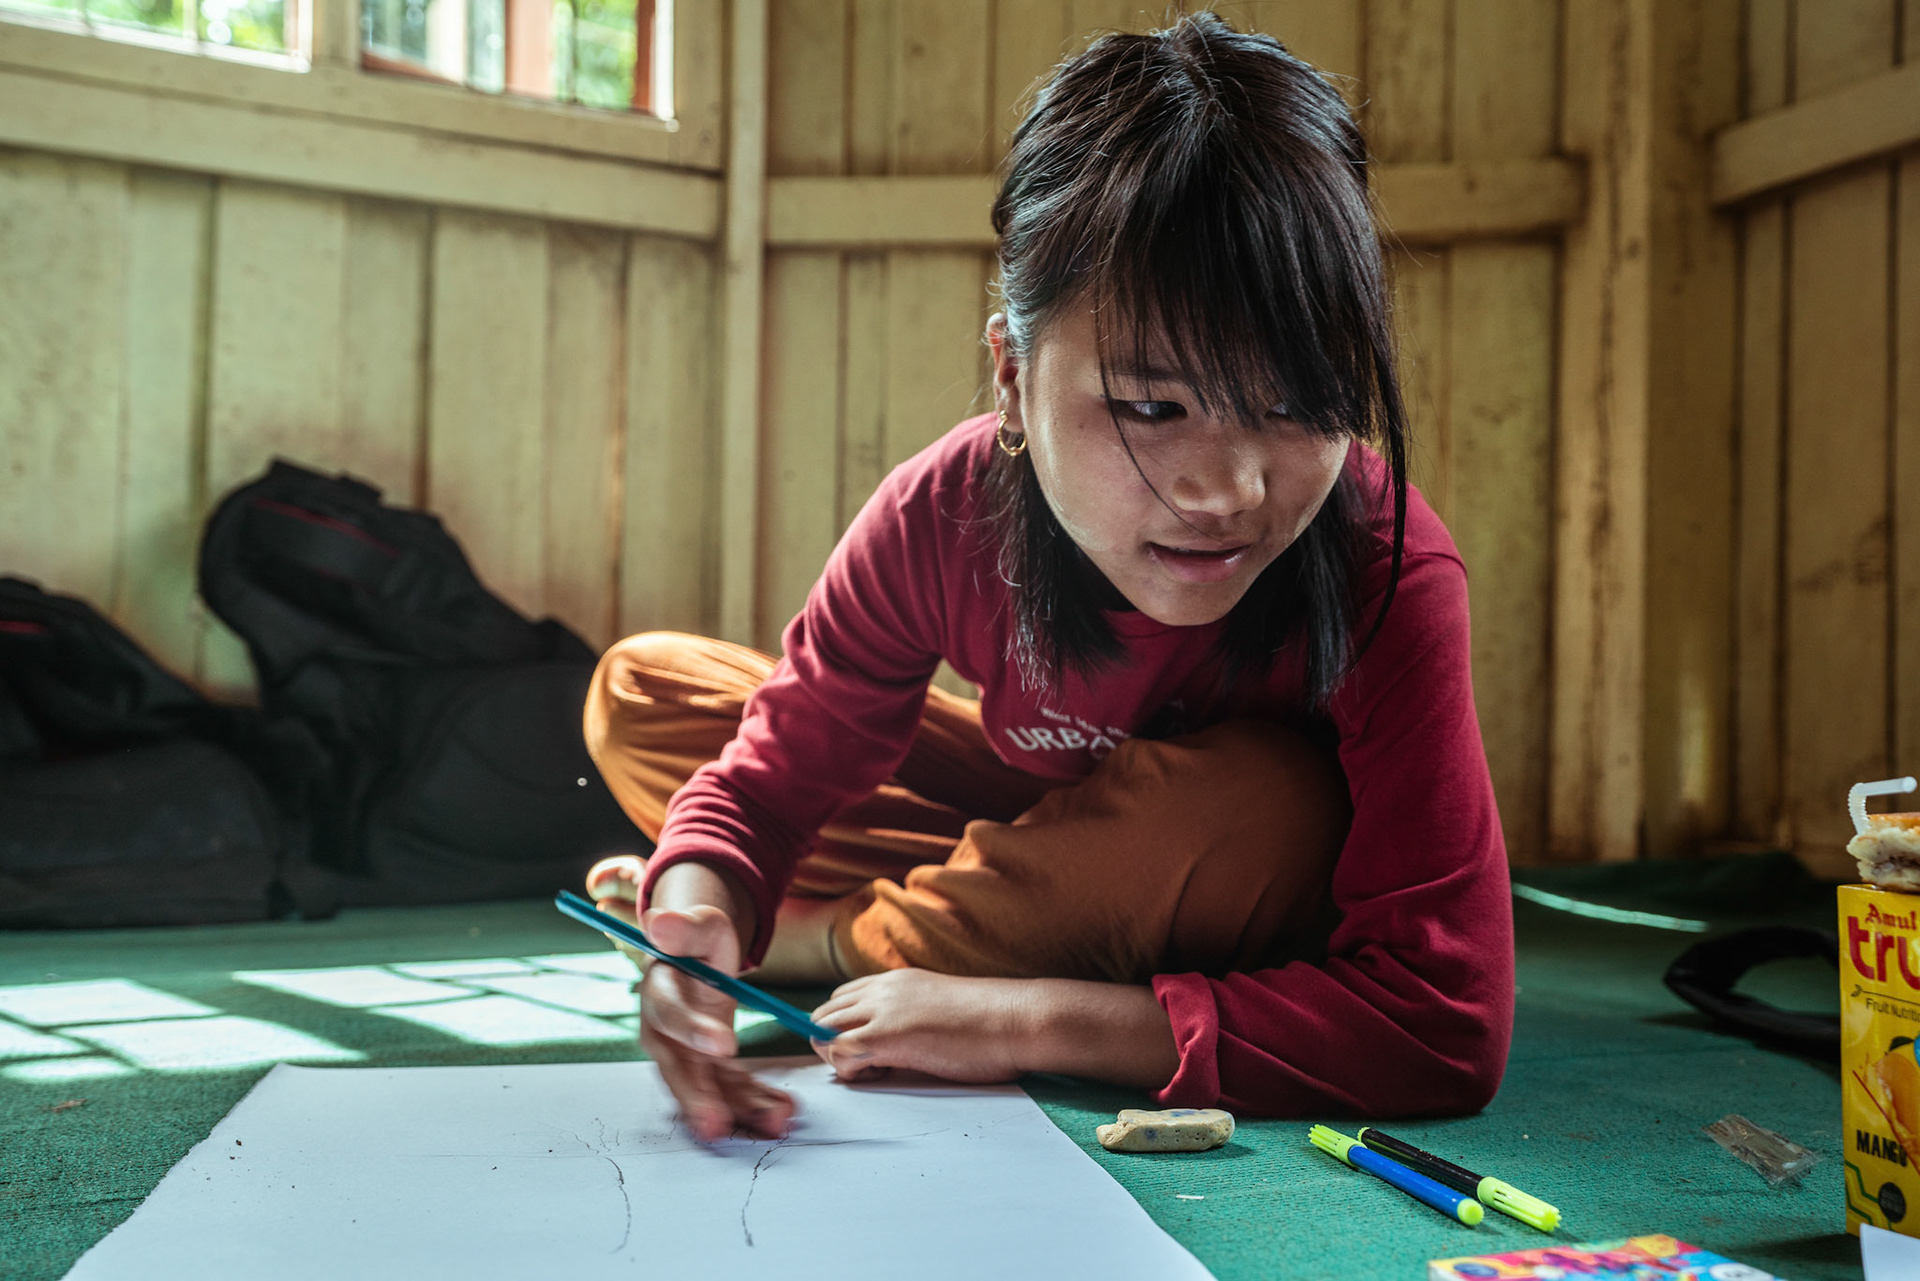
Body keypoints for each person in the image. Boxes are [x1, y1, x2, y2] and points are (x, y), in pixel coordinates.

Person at [583, 11, 1513, 1144]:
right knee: (645, 689)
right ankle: (858, 918)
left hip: (1217, 869)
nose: (1224, 490)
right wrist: (699, 900)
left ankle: (832, 938)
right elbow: (766, 784)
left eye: (1291, 403)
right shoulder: (945, 511)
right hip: (1040, 820)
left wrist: (1032, 1022)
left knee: (1258, 806)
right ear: (1013, 378)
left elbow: (1443, 1024)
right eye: (1152, 407)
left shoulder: (1388, 567)